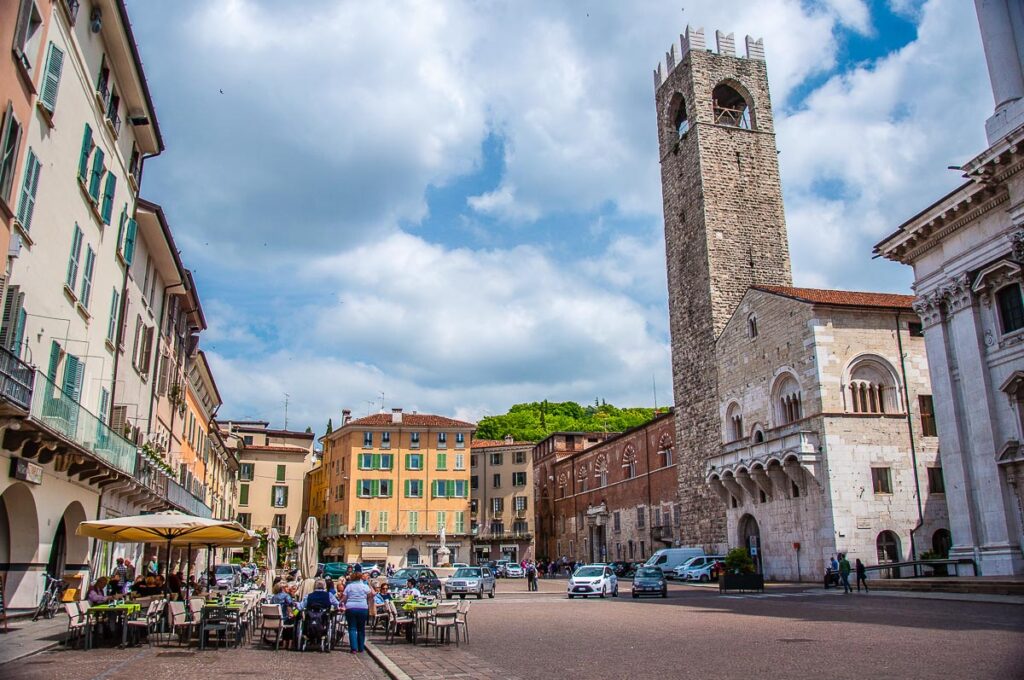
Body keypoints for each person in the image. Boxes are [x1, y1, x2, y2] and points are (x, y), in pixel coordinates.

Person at [342, 570, 374, 654]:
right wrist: (369, 584)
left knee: (352, 628)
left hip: (351, 607)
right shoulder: (364, 586)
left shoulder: (349, 586)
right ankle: (361, 647)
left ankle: (354, 648)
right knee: (361, 628)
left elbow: (344, 598)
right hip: (362, 607)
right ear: (360, 578)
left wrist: (341, 603)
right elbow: (372, 594)